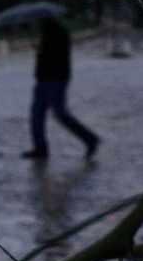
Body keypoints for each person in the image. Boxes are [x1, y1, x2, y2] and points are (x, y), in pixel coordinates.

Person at [22, 17, 100, 159]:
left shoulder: (59, 33)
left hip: (55, 80)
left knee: (60, 113)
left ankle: (90, 138)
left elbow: (56, 56)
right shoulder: (47, 33)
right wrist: (40, 49)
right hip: (43, 79)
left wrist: (42, 50)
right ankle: (40, 148)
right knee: (36, 114)